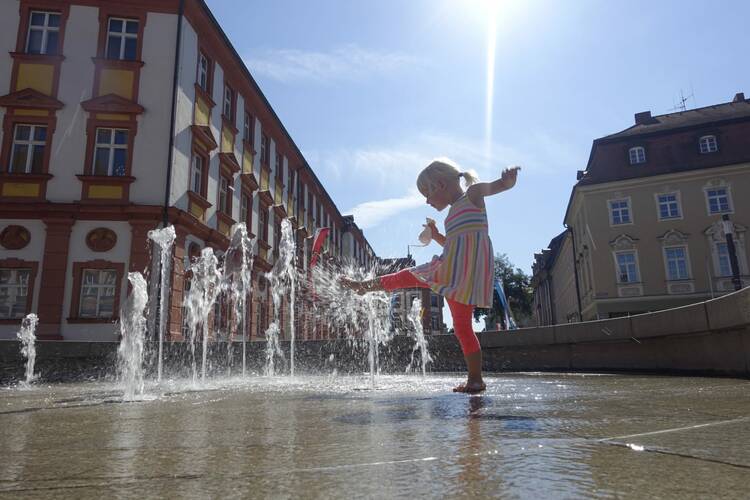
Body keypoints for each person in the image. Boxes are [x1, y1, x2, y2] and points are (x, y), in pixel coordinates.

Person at [341, 158, 520, 393]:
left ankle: (365, 286)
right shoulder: (451, 215)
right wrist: (435, 236)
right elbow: (454, 245)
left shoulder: (473, 195)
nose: (426, 200)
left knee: (408, 276)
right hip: (455, 270)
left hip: (464, 270)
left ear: (440, 184)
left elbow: (498, 187)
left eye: (427, 193)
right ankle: (475, 380)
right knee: (461, 327)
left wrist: (507, 181)